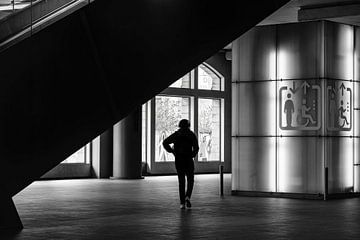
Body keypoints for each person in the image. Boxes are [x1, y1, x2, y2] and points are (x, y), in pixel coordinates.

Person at [163, 119, 199, 209]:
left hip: (179, 160)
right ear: (188, 125)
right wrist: (192, 155)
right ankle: (188, 196)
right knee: (190, 180)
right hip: (188, 160)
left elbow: (165, 142)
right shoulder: (191, 134)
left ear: (180, 125)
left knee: (181, 181)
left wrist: (172, 151)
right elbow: (196, 147)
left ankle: (182, 203)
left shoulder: (177, 134)